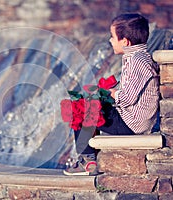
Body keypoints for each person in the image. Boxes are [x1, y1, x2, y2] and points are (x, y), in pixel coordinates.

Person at [64, 13, 160, 175]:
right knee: (88, 105)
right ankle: (89, 157)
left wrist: (111, 93)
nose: (110, 40)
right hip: (132, 119)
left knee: (80, 108)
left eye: (112, 37)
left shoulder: (137, 61)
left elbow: (127, 98)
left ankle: (87, 161)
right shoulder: (137, 57)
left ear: (125, 42)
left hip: (131, 124)